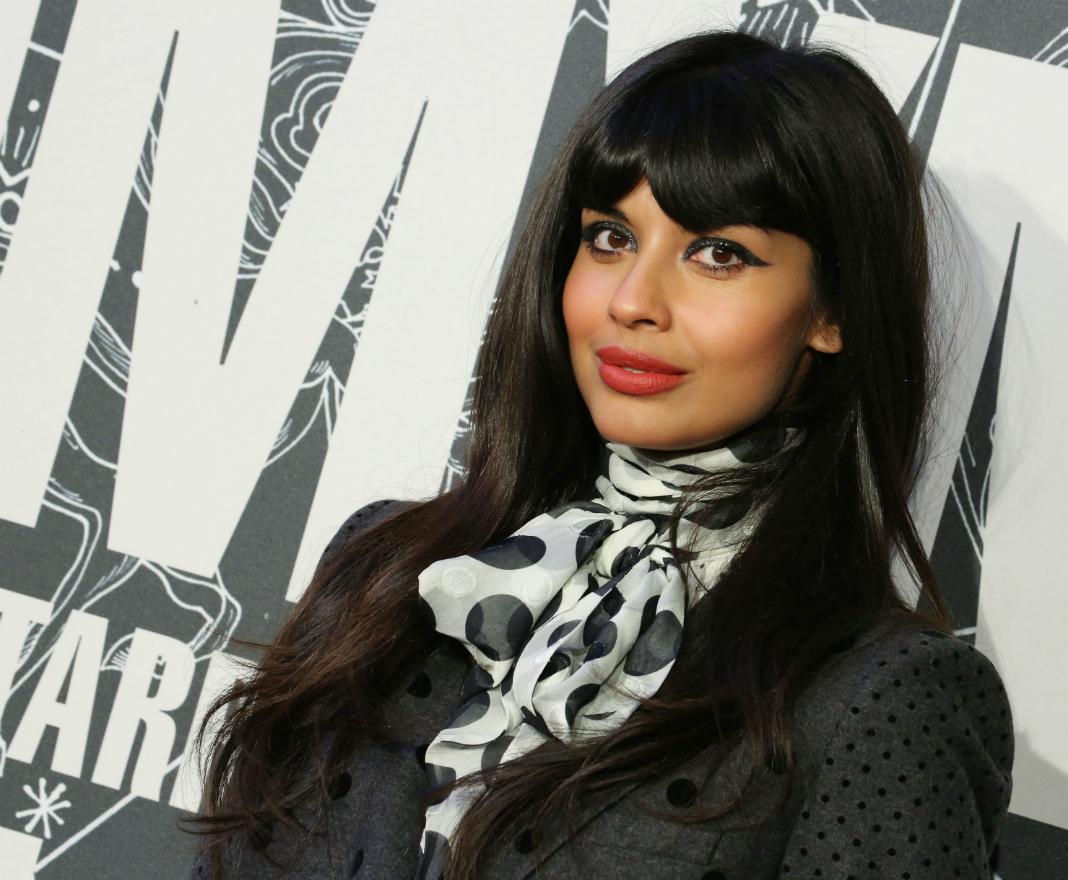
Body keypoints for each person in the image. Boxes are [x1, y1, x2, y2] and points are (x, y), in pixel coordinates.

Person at [181, 28, 1014, 880]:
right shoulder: (385, 571)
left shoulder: (884, 701)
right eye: (610, 238)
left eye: (718, 253)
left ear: (832, 310)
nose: (632, 300)